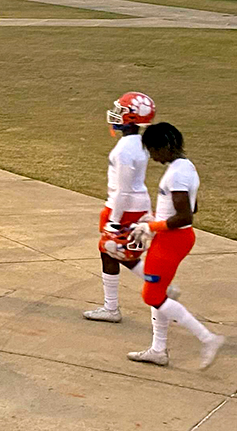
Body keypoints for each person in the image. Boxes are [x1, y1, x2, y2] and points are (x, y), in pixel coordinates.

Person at [123, 123, 224, 369]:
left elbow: (185, 216)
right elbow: (192, 207)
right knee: (158, 293)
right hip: (175, 237)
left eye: (153, 151)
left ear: (164, 147)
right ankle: (158, 349)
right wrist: (154, 219)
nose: (153, 157)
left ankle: (208, 338)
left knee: (152, 294)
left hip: (172, 239)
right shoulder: (185, 167)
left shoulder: (177, 174)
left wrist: (152, 227)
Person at [83, 92, 160, 323]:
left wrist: (114, 221)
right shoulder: (141, 144)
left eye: (121, 110)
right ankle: (159, 289)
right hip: (138, 204)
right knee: (118, 252)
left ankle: (117, 305)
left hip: (124, 207)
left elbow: (122, 189)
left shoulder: (123, 150)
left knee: (113, 250)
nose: (116, 114)